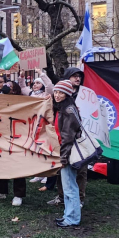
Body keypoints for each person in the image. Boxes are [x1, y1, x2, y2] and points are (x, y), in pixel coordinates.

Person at [0, 72, 27, 206]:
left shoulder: (23, 101)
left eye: (9, 86)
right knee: (0, 162)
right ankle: (0, 191)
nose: (5, 87)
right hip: (1, 135)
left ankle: (18, 195)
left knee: (18, 165)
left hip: (18, 137)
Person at [48, 68, 88, 207]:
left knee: (80, 171)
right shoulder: (59, 102)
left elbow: (68, 134)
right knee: (63, 173)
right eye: (74, 76)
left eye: (79, 76)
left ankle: (78, 201)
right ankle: (63, 197)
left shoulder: (84, 96)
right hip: (63, 143)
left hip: (76, 143)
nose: (77, 79)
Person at [52, 80, 82, 227]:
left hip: (68, 153)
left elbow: (68, 137)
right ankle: (68, 215)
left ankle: (72, 218)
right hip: (66, 152)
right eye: (56, 92)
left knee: (70, 187)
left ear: (67, 94)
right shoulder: (64, 108)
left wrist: (63, 157)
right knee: (68, 186)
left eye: (61, 92)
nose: (57, 95)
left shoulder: (68, 110)